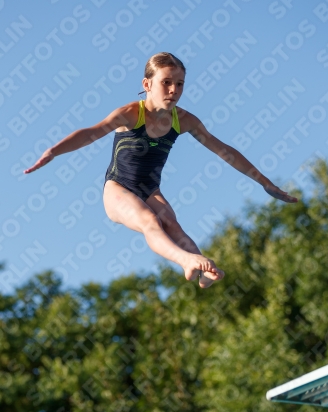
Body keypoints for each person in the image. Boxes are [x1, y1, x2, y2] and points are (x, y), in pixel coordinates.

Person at [24, 52, 297, 288]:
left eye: (179, 84)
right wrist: (53, 152)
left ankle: (205, 272)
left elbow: (225, 151)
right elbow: (90, 133)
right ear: (147, 84)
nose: (173, 90)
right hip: (117, 189)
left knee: (172, 224)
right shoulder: (131, 113)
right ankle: (188, 261)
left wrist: (264, 182)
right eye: (166, 82)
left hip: (150, 189)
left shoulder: (185, 120)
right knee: (151, 222)